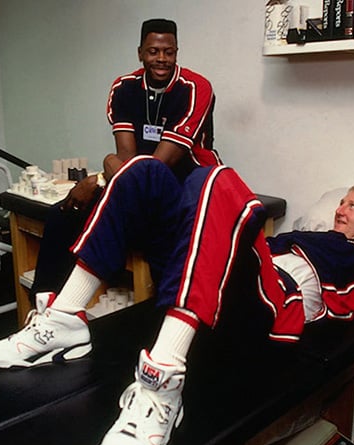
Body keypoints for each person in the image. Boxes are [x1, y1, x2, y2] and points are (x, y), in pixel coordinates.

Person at [0, 154, 354, 445]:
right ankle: (66, 317)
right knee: (144, 171)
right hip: (237, 276)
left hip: (275, 304)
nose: (341, 209)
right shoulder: (312, 235)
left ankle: (160, 383)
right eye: (342, 201)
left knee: (216, 177)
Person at [30, 18, 221, 300]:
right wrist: (105, 173)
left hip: (188, 183)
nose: (162, 59)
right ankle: (45, 303)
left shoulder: (195, 87)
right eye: (154, 51)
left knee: (153, 233)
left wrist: (104, 174)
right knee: (63, 214)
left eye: (169, 52)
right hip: (134, 179)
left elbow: (156, 170)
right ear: (140, 52)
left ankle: (159, 314)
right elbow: (128, 157)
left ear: (177, 52)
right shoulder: (124, 88)